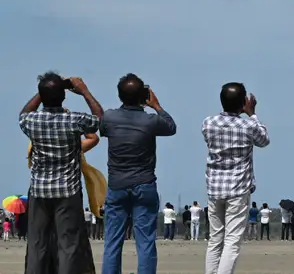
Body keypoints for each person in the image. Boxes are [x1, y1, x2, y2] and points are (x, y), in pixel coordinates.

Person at [20, 73, 103, 274]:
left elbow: (24, 113)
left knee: (37, 244)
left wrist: (44, 92)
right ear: (64, 96)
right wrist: (84, 91)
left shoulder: (32, 121)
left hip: (39, 190)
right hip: (67, 190)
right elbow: (100, 119)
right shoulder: (74, 120)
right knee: (68, 244)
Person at [100, 74, 177, 274]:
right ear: (143, 95)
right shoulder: (150, 120)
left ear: (119, 95)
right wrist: (156, 106)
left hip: (117, 184)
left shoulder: (110, 117)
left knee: (112, 242)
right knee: (145, 243)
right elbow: (171, 127)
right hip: (144, 183)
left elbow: (101, 126)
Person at [203, 83, 270, 274]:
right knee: (232, 241)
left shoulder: (208, 123)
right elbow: (264, 140)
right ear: (243, 103)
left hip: (214, 187)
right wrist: (252, 114)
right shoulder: (248, 126)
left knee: (215, 239)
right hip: (238, 188)